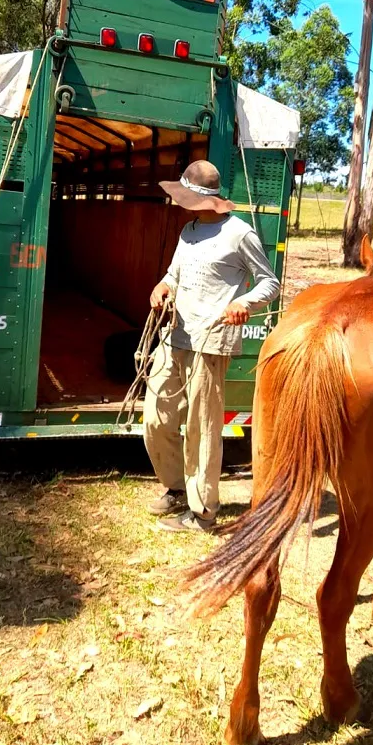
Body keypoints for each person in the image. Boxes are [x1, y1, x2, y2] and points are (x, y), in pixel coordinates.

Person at [144, 160, 281, 532]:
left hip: (212, 340)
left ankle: (203, 512)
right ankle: (176, 487)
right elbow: (174, 274)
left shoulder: (240, 234)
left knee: (202, 427)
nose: (179, 202)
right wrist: (162, 287)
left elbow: (270, 283)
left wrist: (243, 303)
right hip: (174, 333)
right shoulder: (188, 230)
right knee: (156, 417)